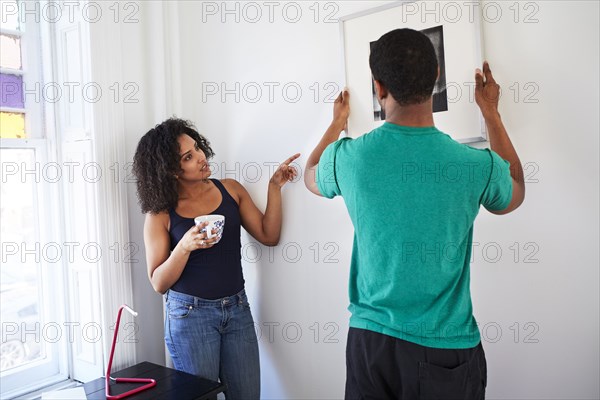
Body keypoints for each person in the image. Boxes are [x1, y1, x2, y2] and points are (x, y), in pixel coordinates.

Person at [304, 29, 525, 399]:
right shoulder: (475, 165)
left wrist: (336, 124)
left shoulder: (350, 158)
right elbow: (515, 190)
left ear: (378, 88)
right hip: (445, 348)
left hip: (370, 344)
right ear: (436, 75)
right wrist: (491, 114)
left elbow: (311, 175)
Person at [133, 117, 299, 399]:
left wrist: (274, 187)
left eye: (197, 148)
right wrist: (184, 246)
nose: (200, 157)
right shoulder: (160, 214)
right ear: (171, 170)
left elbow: (269, 235)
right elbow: (158, 283)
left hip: (237, 309)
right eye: (188, 156)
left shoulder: (230, 190)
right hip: (190, 318)